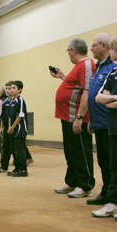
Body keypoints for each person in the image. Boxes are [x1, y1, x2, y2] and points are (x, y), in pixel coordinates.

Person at [50, 38, 96, 198]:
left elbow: (87, 91)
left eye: (68, 50)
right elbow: (76, 87)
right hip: (68, 116)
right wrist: (63, 76)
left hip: (77, 118)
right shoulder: (78, 67)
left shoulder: (87, 64)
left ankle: (86, 185)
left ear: (73, 50)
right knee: (71, 151)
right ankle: (72, 181)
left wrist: (79, 117)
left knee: (81, 151)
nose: (68, 53)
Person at [87, 33, 117, 205]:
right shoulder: (97, 67)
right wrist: (92, 119)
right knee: (103, 161)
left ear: (105, 46)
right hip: (98, 123)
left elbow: (109, 96)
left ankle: (110, 196)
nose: (91, 48)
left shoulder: (111, 68)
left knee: (111, 163)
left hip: (109, 123)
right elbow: (97, 96)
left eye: (94, 45)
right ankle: (106, 192)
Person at [7, 80, 28, 177]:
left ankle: (23, 170)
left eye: (14, 88)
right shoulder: (12, 101)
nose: (11, 90)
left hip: (20, 129)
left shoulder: (20, 100)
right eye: (10, 88)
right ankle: (17, 167)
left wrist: (13, 127)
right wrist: (9, 127)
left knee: (20, 150)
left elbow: (20, 115)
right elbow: (11, 116)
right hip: (13, 129)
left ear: (20, 90)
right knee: (13, 149)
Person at [0, 81, 13, 173]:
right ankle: (3, 166)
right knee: (5, 147)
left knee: (15, 148)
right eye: (6, 89)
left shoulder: (17, 100)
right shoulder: (5, 101)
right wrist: (1, 127)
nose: (8, 90)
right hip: (6, 127)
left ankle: (18, 168)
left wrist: (11, 127)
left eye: (10, 88)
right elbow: (3, 116)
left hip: (14, 128)